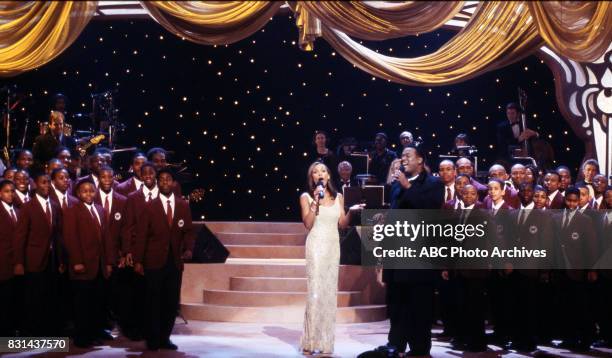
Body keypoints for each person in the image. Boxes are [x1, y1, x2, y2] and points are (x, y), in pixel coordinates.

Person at [379, 144, 444, 357]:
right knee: (397, 303)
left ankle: (419, 348)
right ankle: (395, 344)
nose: (403, 159)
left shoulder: (434, 183)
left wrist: (409, 188)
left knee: (420, 304)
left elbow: (430, 211)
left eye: (408, 155)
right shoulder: (397, 185)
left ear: (420, 160)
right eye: (402, 155)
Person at [299, 162, 363, 355]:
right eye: (316, 172)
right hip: (316, 245)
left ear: (328, 176)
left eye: (323, 171)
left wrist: (352, 211)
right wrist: (315, 203)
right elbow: (308, 224)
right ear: (312, 178)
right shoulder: (306, 197)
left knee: (328, 293)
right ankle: (310, 341)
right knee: (315, 292)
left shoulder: (339, 197)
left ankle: (326, 342)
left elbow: (342, 224)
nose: (320, 174)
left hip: (332, 247)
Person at [133, 168, 195, 351]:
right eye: (162, 180)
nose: (165, 182)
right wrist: (138, 260)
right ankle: (152, 339)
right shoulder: (149, 206)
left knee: (170, 301)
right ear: (158, 183)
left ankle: (165, 338)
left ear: (174, 183)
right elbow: (141, 235)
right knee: (153, 301)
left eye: (168, 179)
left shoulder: (182, 205)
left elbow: (188, 231)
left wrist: (189, 249)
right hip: (153, 261)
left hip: (174, 262)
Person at [63, 178, 115, 347]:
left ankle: (94, 333)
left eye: (91, 190)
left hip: (99, 266)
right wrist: (77, 261)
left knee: (96, 302)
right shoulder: (72, 211)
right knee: (82, 304)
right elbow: (71, 238)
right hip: (83, 265)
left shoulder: (100, 210)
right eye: (84, 191)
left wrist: (108, 261)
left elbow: (106, 237)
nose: (88, 194)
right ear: (78, 193)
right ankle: (82, 337)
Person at [14, 172, 63, 336]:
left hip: (52, 260)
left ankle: (49, 329)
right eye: (43, 182)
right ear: (35, 184)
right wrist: (19, 262)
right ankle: (33, 332)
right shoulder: (28, 207)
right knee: (34, 297)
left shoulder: (55, 206)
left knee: (51, 296)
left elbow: (57, 235)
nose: (47, 185)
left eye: (49, 182)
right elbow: (20, 236)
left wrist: (61, 259)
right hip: (33, 260)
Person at [553, 186, 598, 351]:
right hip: (561, 269)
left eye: (575, 201)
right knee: (565, 306)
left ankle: (585, 339)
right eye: (569, 200)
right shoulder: (556, 218)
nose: (571, 204)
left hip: (578, 270)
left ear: (579, 201)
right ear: (565, 200)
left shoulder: (585, 220)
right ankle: (569, 338)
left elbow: (591, 247)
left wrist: (592, 269)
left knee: (581, 307)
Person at [122, 162, 158, 341]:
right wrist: (128, 250)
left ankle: (156, 328)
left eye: (152, 172)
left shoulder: (163, 194)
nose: (148, 175)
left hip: (158, 250)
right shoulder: (133, 197)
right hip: (138, 250)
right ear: (141, 176)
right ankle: (138, 328)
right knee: (139, 291)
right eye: (145, 173)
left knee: (156, 291)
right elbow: (127, 226)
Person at [0, 179, 17, 336]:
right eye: (6, 191)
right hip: (2, 264)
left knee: (12, 301)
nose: (10, 194)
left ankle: (11, 331)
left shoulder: (17, 210)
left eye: (12, 191)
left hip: (15, 265)